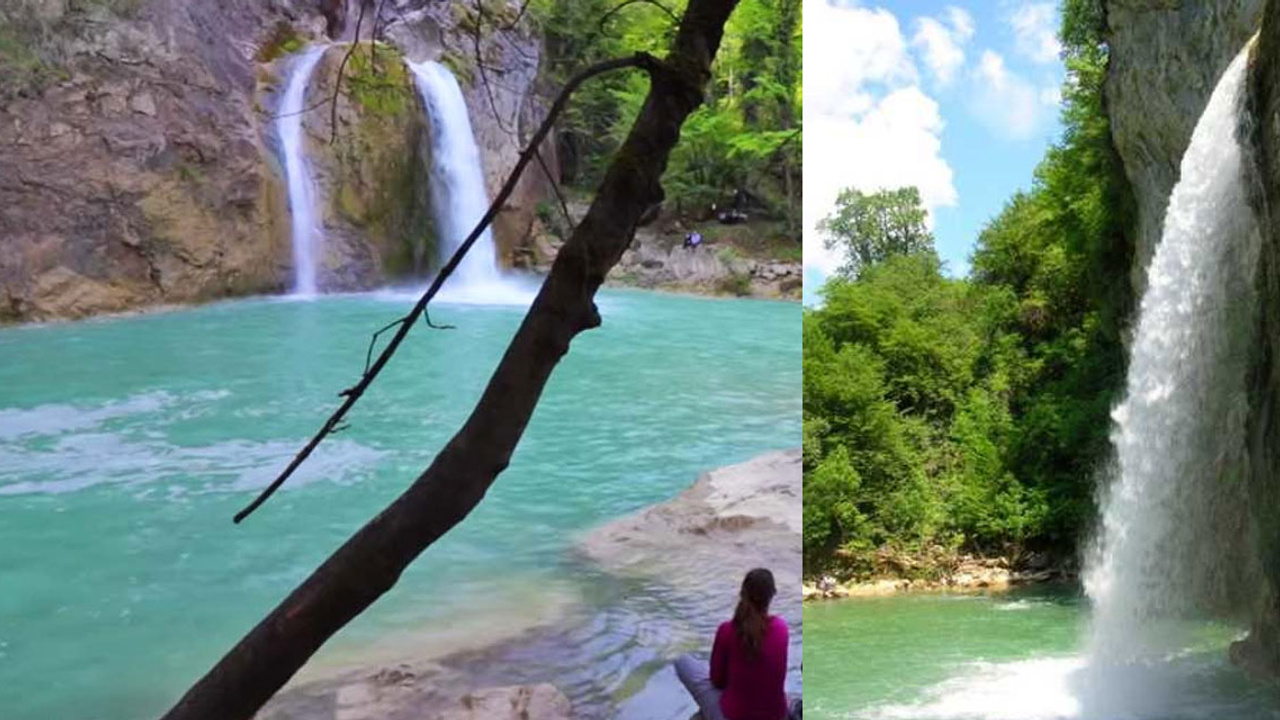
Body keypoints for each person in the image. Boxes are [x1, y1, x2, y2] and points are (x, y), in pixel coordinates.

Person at [675, 568, 789, 720]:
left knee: (682, 661)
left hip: (732, 715)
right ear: (771, 596)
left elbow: (717, 680)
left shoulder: (727, 630)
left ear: (742, 593)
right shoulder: (782, 628)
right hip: (776, 715)